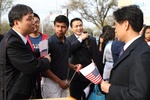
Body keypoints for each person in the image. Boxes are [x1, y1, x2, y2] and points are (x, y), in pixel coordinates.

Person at [0, 4, 51, 100]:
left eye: (34, 19)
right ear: (17, 23)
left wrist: (38, 52)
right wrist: (47, 60)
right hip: (14, 95)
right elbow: (33, 66)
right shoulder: (13, 42)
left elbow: (26, 55)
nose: (33, 23)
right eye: (29, 19)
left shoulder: (20, 39)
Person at [100, 5, 150, 100]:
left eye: (116, 25)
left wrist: (110, 88)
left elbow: (138, 95)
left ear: (126, 24)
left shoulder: (142, 54)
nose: (115, 30)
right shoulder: (130, 48)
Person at [41, 15, 79, 98]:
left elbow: (63, 60)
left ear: (67, 28)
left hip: (63, 81)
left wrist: (73, 66)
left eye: (63, 27)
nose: (60, 29)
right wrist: (59, 82)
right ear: (54, 26)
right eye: (57, 26)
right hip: (50, 83)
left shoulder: (67, 42)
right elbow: (43, 67)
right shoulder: (44, 43)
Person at [67, 18, 102, 100]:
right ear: (71, 28)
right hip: (74, 75)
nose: (79, 28)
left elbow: (96, 58)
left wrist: (100, 74)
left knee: (88, 97)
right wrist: (80, 39)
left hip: (89, 75)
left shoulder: (91, 40)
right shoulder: (68, 40)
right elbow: (69, 50)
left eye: (80, 25)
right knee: (74, 97)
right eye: (76, 26)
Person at [26, 13, 49, 98]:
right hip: (31, 74)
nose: (35, 24)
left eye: (37, 22)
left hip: (44, 74)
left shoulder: (46, 38)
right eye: (33, 21)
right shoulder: (24, 39)